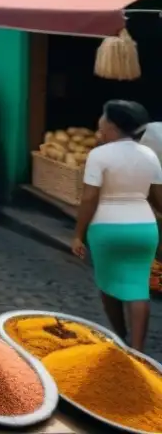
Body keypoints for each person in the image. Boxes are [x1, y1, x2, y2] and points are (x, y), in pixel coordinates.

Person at [72, 101, 162, 352]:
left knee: (107, 283)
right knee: (139, 287)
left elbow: (89, 199)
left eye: (103, 116)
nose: (99, 120)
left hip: (107, 227)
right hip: (144, 228)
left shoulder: (99, 155)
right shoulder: (149, 155)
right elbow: (158, 200)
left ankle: (120, 337)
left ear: (111, 124)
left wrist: (78, 234)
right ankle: (137, 350)